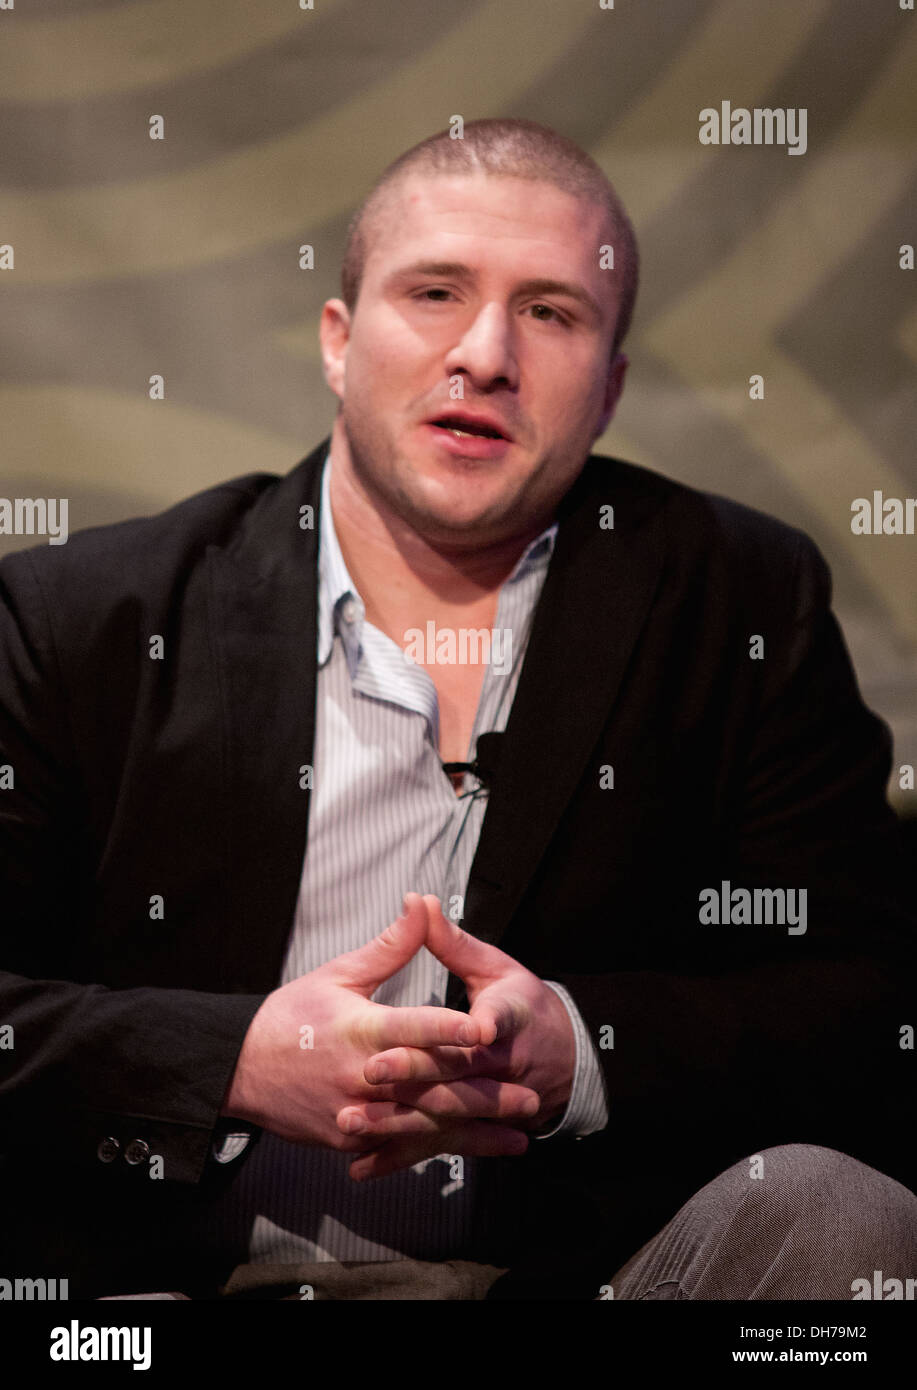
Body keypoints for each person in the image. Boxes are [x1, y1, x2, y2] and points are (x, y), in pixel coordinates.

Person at [1, 119, 915, 1302]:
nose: (484, 354)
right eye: (434, 291)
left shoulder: (735, 600)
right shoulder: (85, 615)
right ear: (337, 341)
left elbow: (863, 997)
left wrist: (578, 1051)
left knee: (837, 1214)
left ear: (609, 389)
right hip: (157, 1287)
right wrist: (227, 1061)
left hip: (574, 1277)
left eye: (549, 312)